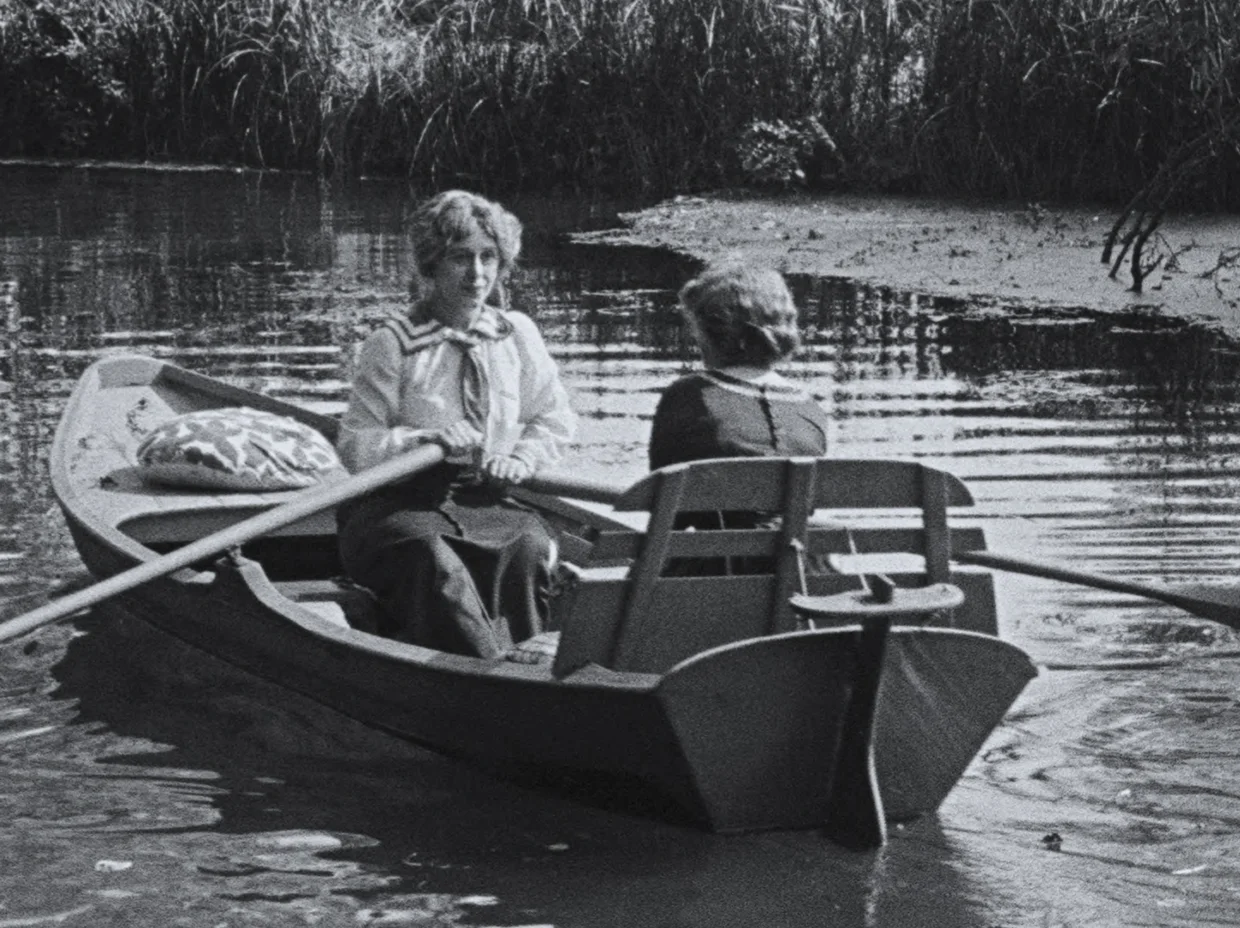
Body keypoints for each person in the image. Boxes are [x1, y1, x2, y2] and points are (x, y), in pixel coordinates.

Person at [335, 190, 576, 658]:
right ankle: (481, 670)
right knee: (433, 559)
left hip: (483, 495)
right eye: (460, 258)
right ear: (431, 265)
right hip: (396, 504)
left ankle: (524, 665)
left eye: (489, 258)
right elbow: (355, 446)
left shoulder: (516, 333)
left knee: (528, 548)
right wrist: (424, 439)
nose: (478, 274)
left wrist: (521, 457)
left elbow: (554, 417)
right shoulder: (393, 344)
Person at [650, 261, 830, 470]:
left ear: (709, 332)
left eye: (696, 328)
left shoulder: (686, 396)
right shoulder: (810, 409)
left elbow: (657, 490)